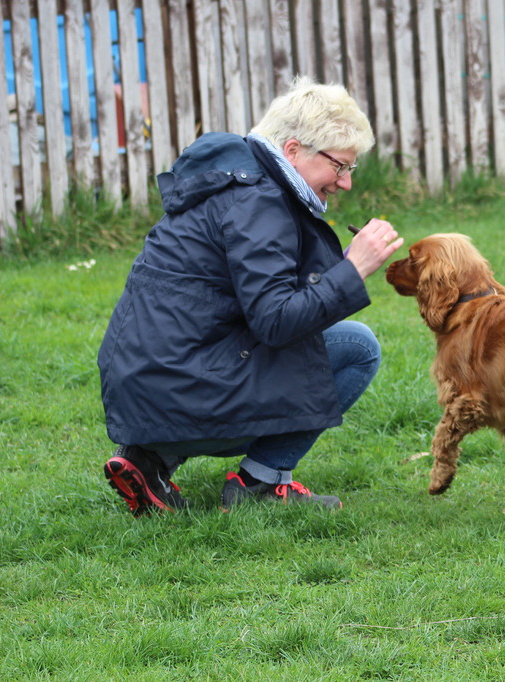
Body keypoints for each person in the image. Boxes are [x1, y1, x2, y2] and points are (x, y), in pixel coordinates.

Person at [97, 77, 403, 516]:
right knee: (357, 347)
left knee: (312, 338)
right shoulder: (259, 203)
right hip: (180, 387)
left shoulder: (237, 180)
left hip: (144, 381)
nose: (346, 183)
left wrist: (339, 269)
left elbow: (256, 297)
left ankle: (149, 458)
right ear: (294, 150)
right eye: (340, 167)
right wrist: (353, 271)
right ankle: (261, 481)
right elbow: (276, 321)